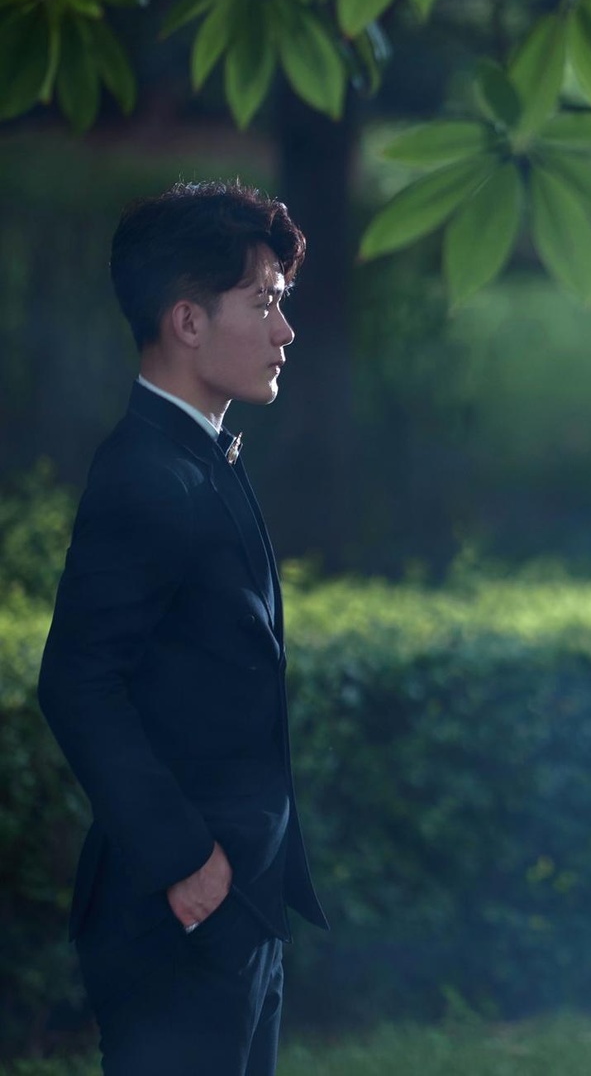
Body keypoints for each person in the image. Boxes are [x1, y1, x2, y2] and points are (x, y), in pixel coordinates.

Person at [37, 180, 328, 1076]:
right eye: (264, 303)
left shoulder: (203, 455)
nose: (285, 330)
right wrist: (189, 861)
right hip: (180, 914)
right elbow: (77, 681)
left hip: (239, 909)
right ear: (187, 321)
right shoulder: (145, 474)